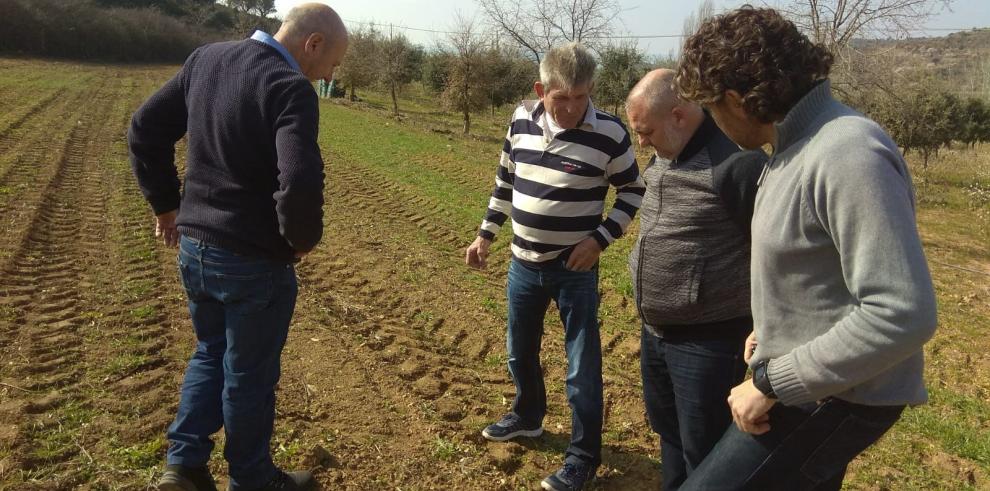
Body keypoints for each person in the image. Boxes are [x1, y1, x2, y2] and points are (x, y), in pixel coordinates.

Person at [673, 6, 938, 490]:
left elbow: (903, 311)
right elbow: (815, 267)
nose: (715, 123)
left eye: (711, 109)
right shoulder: (794, 149)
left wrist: (773, 381)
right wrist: (772, 328)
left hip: (833, 398)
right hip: (814, 384)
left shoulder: (846, 152)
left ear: (736, 99)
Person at [128, 4, 348, 491]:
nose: (330, 74)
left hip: (196, 249)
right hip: (253, 263)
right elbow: (299, 179)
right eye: (332, 63)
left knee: (210, 353)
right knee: (249, 374)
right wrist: (300, 239)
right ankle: (252, 479)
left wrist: (166, 206)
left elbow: (144, 128)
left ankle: (184, 466)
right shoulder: (289, 88)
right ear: (312, 44)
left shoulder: (206, 58)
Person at [465, 42, 645, 491]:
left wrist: (599, 239)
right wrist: (486, 233)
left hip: (574, 271)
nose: (570, 108)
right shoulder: (520, 119)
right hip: (522, 263)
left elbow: (633, 192)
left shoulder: (610, 133)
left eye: (581, 97)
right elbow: (506, 180)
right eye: (560, 98)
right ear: (539, 89)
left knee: (581, 367)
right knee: (517, 349)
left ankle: (584, 456)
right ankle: (528, 416)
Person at [625, 69, 766, 490]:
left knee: (705, 453)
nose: (641, 142)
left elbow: (775, 253)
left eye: (646, 131)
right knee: (670, 437)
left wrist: (765, 324)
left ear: (680, 116)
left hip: (708, 344)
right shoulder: (665, 152)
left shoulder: (737, 167)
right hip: (656, 334)